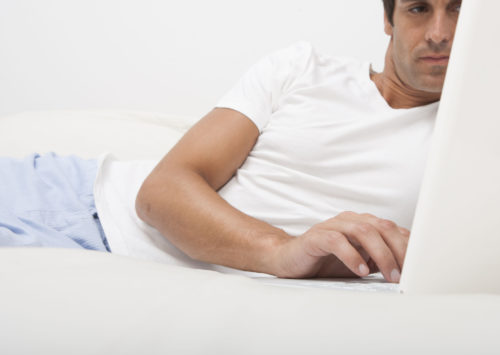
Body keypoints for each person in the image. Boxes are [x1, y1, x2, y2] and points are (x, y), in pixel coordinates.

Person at [0, 0, 461, 284]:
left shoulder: (476, 145)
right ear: (389, 19)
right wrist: (282, 251)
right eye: (419, 7)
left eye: (458, 7)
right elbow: (161, 191)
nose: (439, 32)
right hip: (81, 200)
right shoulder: (303, 68)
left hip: (112, 267)